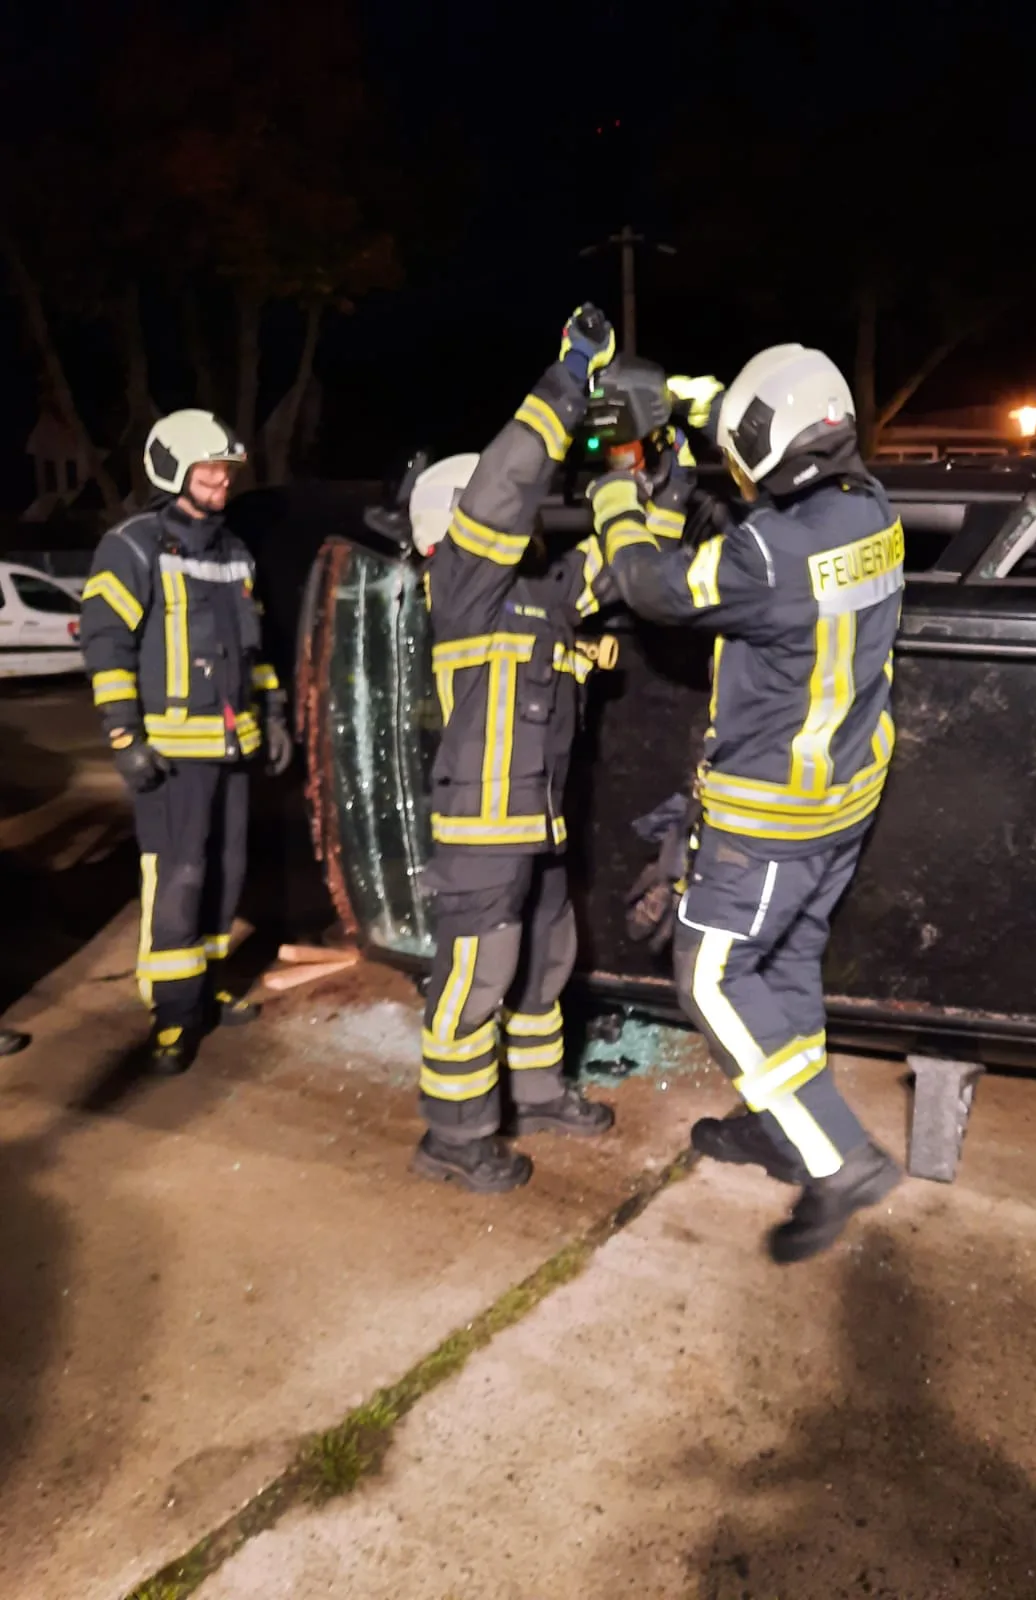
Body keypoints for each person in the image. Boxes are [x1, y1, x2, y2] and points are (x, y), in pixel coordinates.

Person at [589, 344, 905, 1261]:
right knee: (786, 964)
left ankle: (839, 1159)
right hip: (842, 802)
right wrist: (699, 424)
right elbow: (767, 501)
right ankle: (784, 1128)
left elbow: (650, 585)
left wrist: (617, 487)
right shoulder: (872, 511)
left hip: (770, 817)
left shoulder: (769, 554)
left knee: (710, 978)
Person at [408, 306, 620, 1194]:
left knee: (545, 958)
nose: (526, 514)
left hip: (540, 821)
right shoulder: (462, 586)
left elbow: (618, 562)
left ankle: (535, 1096)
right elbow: (506, 480)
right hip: (482, 827)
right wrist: (568, 383)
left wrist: (651, 475)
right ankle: (453, 1137)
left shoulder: (541, 593)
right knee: (477, 975)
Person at [80, 411, 292, 1074]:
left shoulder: (234, 553)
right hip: (171, 756)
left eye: (226, 471)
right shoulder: (132, 547)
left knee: (225, 873)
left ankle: (208, 986)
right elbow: (107, 647)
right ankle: (173, 1013)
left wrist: (274, 715)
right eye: (208, 471)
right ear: (171, 470)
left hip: (231, 749)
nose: (222, 482)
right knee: (179, 877)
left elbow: (256, 651)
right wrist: (124, 735)